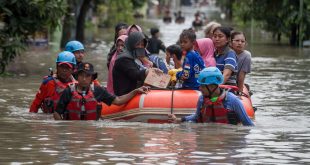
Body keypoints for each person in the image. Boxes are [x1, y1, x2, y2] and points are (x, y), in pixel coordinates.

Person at [53, 62, 149, 120]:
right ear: (77, 76)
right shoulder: (68, 91)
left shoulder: (98, 91)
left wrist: (135, 91)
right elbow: (57, 113)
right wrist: (63, 129)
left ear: (91, 78)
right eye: (81, 75)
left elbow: (118, 101)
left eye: (87, 76)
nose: (84, 79)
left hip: (91, 133)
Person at [168, 67, 254, 126]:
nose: (200, 88)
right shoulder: (202, 99)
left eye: (202, 86)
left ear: (212, 86)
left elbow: (248, 124)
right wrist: (179, 120)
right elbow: (196, 116)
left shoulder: (233, 101)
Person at [113, 31, 161, 96]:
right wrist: (147, 71)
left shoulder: (139, 56)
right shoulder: (124, 58)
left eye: (142, 45)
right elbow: (135, 74)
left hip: (136, 89)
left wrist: (145, 60)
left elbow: (154, 69)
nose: (140, 47)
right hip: (125, 94)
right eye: (137, 44)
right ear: (131, 44)